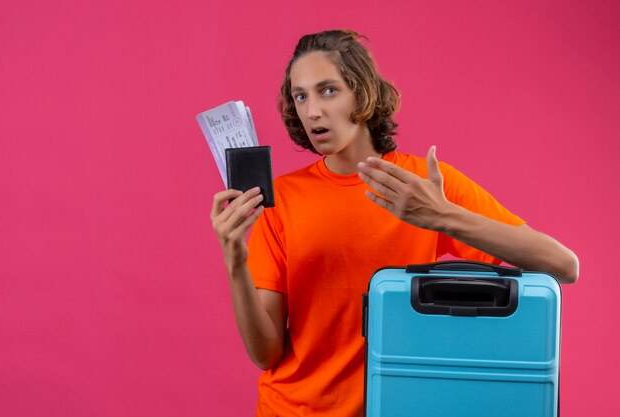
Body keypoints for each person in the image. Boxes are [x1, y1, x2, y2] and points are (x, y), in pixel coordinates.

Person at [210, 29, 579, 417]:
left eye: (328, 90)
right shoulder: (282, 198)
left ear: (362, 93)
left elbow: (562, 266)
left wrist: (443, 216)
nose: (312, 110)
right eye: (301, 96)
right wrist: (234, 259)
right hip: (293, 409)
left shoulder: (424, 185)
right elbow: (265, 353)